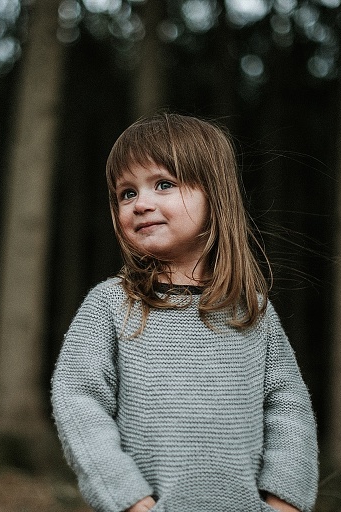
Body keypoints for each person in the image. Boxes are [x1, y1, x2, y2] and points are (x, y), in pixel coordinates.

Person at [51, 112, 319, 512]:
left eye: (163, 184)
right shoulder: (110, 305)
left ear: (214, 195)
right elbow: (78, 397)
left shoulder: (253, 311)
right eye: (126, 193)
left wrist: (285, 500)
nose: (141, 204)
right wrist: (126, 496)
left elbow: (288, 406)